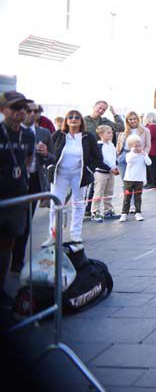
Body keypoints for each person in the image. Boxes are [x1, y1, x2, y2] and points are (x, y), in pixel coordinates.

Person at [46, 110, 104, 246]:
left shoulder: (88, 137)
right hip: (60, 175)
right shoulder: (58, 135)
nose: (73, 119)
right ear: (66, 120)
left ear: (81, 121)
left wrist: (89, 169)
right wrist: (50, 166)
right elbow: (48, 152)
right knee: (55, 205)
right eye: (70, 117)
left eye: (77, 117)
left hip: (79, 175)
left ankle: (76, 234)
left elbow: (97, 157)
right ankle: (53, 235)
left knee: (78, 204)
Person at [0, 91, 35, 308]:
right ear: (3, 110)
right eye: (15, 107)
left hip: (18, 198)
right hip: (1, 198)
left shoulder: (28, 135)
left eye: (24, 108)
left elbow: (28, 160)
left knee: (7, 245)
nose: (21, 112)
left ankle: (2, 288)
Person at [11, 100, 55, 272]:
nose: (32, 114)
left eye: (36, 111)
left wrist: (45, 153)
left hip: (34, 182)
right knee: (11, 222)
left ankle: (17, 261)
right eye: (29, 111)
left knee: (26, 223)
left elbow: (53, 158)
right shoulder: (11, 131)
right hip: (13, 183)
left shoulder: (44, 132)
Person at [83, 101, 124, 217]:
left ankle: (103, 210)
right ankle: (90, 210)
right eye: (99, 108)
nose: (101, 111)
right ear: (94, 106)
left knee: (101, 188)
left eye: (104, 109)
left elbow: (121, 127)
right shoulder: (84, 120)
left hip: (101, 158)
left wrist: (114, 114)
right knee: (92, 186)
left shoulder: (105, 121)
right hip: (88, 156)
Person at [90, 125, 119, 223]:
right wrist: (109, 169)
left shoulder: (111, 144)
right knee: (98, 192)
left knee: (109, 192)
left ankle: (108, 210)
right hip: (101, 173)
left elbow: (113, 157)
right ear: (101, 134)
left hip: (111, 172)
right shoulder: (99, 145)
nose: (112, 134)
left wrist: (115, 166)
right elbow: (99, 161)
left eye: (111, 132)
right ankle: (95, 212)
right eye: (109, 132)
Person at [116, 111, 151, 189]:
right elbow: (119, 143)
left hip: (137, 156)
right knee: (125, 182)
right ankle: (127, 197)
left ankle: (134, 197)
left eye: (134, 119)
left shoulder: (145, 130)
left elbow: (148, 146)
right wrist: (118, 156)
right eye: (130, 119)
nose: (133, 121)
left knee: (135, 182)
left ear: (138, 119)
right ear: (127, 121)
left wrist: (143, 155)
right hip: (123, 156)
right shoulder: (124, 130)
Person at [121, 135, 150, 222]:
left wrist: (145, 155)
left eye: (139, 146)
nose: (138, 148)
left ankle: (138, 212)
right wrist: (133, 153)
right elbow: (129, 161)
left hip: (139, 180)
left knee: (138, 197)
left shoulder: (143, 155)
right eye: (135, 146)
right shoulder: (129, 155)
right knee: (127, 197)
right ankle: (124, 213)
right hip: (129, 180)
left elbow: (149, 163)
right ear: (130, 147)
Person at [144, 113, 156, 189]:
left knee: (150, 167)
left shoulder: (150, 127)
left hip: (151, 149)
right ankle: (153, 183)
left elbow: (148, 138)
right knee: (152, 167)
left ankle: (153, 183)